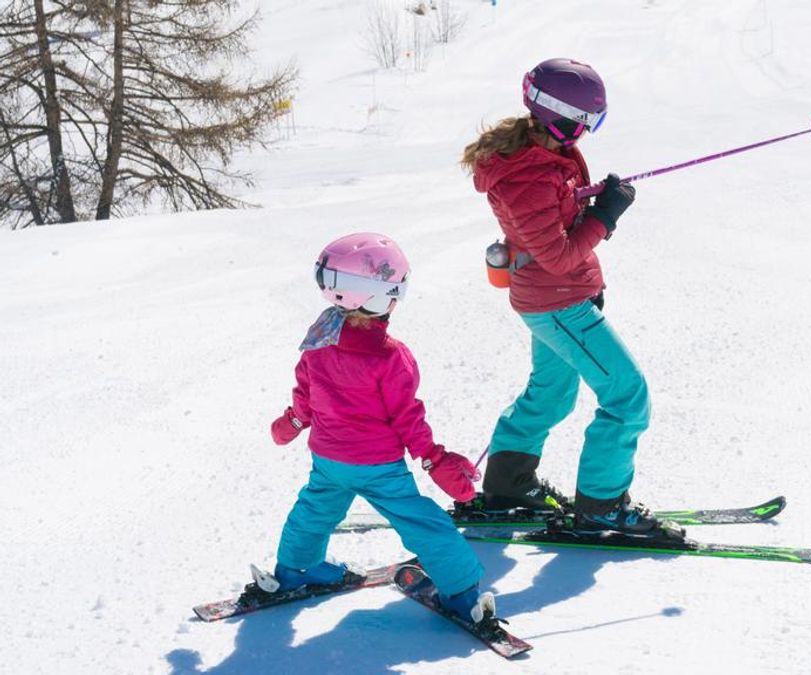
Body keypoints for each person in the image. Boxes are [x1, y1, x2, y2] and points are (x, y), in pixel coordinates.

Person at [461, 58, 662, 536]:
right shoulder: (527, 176)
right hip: (557, 300)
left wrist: (589, 200)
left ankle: (509, 485)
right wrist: (606, 217)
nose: (587, 133)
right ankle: (602, 506)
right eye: (586, 122)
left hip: (555, 297)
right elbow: (558, 255)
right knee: (628, 397)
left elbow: (555, 226)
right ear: (559, 116)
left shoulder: (545, 155)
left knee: (551, 395)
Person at [267, 232, 492, 623]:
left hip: (329, 458)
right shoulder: (390, 357)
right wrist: (433, 458)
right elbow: (407, 417)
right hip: (378, 466)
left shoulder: (319, 340)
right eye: (394, 293)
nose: (395, 302)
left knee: (315, 510)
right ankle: (460, 592)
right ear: (373, 296)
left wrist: (294, 421)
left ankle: (295, 570)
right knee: (420, 521)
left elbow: (306, 394)